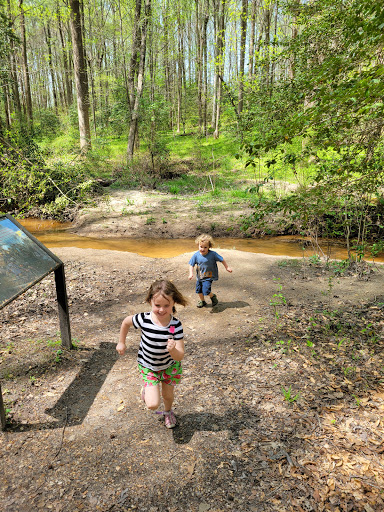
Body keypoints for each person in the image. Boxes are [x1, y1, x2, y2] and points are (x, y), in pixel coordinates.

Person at [116, 279, 188, 429]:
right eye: (157, 305)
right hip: (149, 366)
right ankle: (147, 389)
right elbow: (126, 322)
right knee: (153, 404)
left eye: (166, 306)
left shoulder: (176, 326)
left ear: (174, 302)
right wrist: (121, 342)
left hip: (169, 366)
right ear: (150, 301)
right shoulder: (143, 319)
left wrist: (173, 349)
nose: (162, 310)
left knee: (167, 395)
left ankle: (168, 412)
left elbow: (180, 356)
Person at [188, 233, 232, 308]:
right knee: (199, 291)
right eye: (201, 246)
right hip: (199, 277)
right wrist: (191, 273)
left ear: (209, 247)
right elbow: (191, 264)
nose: (202, 249)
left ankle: (213, 296)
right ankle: (202, 301)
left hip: (209, 276)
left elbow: (222, 259)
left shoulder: (213, 254)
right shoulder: (196, 255)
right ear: (198, 245)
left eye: (205, 247)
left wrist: (227, 267)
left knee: (206, 290)